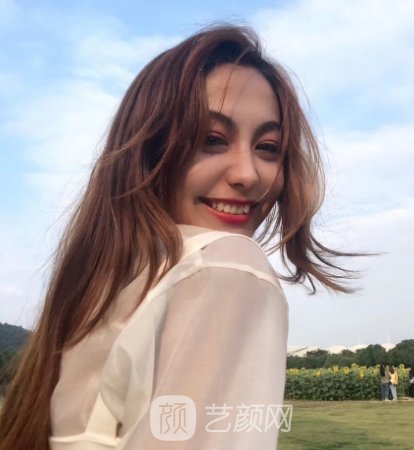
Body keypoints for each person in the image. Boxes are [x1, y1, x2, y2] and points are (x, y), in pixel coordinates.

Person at [0, 24, 356, 450]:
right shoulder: (226, 265)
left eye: (267, 147)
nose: (247, 175)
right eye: (212, 139)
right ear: (147, 151)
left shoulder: (101, 292)